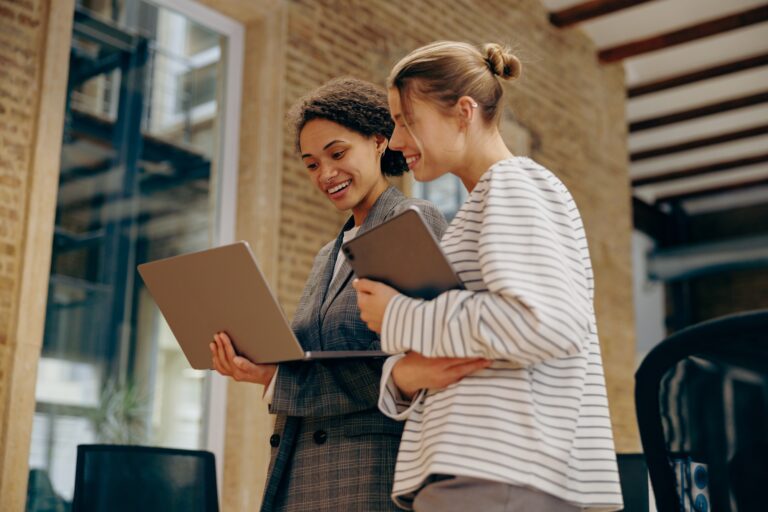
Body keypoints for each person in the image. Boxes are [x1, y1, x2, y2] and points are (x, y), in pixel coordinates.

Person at [353, 42, 624, 511]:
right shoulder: (482, 206)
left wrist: (398, 314)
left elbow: (543, 322)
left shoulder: (516, 183)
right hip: (485, 473)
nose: (395, 142)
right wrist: (403, 373)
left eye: (406, 120)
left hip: (502, 475)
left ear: (463, 112)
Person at [209, 77, 474, 512]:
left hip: (368, 478)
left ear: (377, 142)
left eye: (337, 153)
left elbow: (413, 367)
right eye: (311, 164)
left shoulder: (410, 220)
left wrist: (276, 378)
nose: (326, 174)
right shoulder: (325, 256)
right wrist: (260, 365)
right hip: (301, 472)